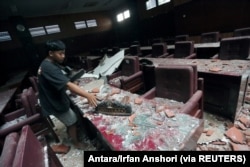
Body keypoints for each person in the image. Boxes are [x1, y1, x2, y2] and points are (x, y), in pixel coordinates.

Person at [37, 39, 97, 149]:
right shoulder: (48, 67)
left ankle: (74, 132)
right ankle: (76, 142)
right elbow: (68, 85)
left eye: (64, 52)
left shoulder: (50, 63)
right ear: (51, 53)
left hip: (54, 96)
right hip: (53, 102)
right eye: (60, 53)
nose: (63, 56)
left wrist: (71, 82)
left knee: (73, 115)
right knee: (72, 121)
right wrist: (88, 95)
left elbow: (64, 78)